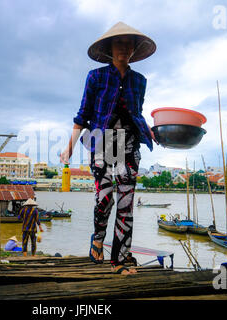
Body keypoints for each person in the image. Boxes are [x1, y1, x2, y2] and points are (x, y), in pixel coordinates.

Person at [60, 22, 158, 275]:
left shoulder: (140, 81)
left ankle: (121, 259)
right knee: (104, 200)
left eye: (128, 44)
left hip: (129, 144)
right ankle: (98, 237)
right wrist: (68, 148)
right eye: (119, 43)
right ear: (110, 48)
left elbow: (137, 113)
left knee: (126, 202)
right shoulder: (96, 77)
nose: (124, 48)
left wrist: (150, 132)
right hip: (102, 143)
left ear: (134, 50)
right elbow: (82, 115)